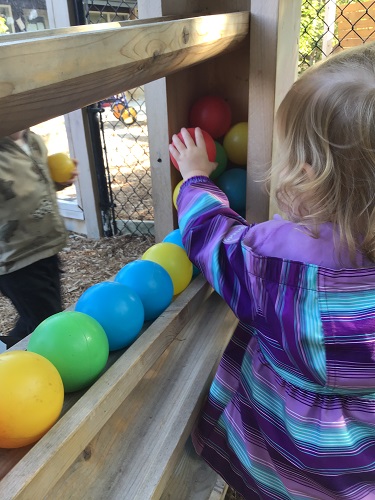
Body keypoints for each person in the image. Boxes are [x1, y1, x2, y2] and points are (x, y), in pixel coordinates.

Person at [169, 42, 375, 499]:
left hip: (282, 465)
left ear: (307, 176)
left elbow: (210, 239)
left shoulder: (276, 263)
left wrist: (196, 178)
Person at [0, 129, 77, 348]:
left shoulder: (32, 140)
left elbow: (38, 185)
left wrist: (59, 181)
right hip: (17, 261)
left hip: (47, 248)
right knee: (49, 322)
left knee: (38, 316)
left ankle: (8, 349)